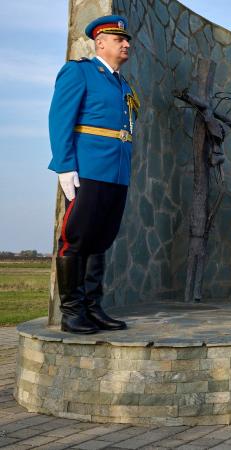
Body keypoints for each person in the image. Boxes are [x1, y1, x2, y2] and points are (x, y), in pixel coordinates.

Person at [48, 15, 138, 334]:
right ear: (100, 42)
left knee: (100, 241)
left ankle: (92, 306)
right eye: (119, 39)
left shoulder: (123, 84)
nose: (126, 44)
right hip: (87, 169)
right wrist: (64, 164)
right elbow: (60, 118)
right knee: (75, 239)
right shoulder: (80, 71)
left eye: (126, 40)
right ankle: (71, 311)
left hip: (116, 174)